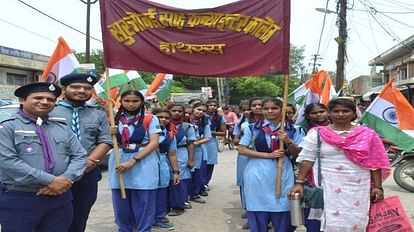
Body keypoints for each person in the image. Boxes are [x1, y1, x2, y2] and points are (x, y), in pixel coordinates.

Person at [289, 98, 391, 231]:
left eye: (345, 111)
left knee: (357, 220)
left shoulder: (367, 134)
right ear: (329, 113)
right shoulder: (318, 133)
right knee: (331, 220)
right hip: (328, 185)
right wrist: (299, 183)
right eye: (336, 111)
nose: (341, 114)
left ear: (354, 113)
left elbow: (374, 162)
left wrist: (378, 187)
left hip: (358, 186)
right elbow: (308, 159)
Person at [0, 82, 87, 231]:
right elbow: (7, 162)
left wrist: (65, 180)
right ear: (22, 100)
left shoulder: (62, 127)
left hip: (60, 198)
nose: (45, 102)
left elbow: (80, 156)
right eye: (38, 97)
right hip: (21, 197)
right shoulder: (7, 127)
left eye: (51, 99)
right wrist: (51, 181)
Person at [50, 73, 113, 232]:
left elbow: (105, 140)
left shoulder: (97, 113)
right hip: (56, 174)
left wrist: (88, 164)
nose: (81, 91)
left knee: (80, 217)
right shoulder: (50, 111)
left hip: (87, 174)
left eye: (87, 88)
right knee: (54, 218)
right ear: (64, 89)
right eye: (75, 87)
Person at [238, 98, 303, 232]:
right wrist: (268, 155)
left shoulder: (294, 129)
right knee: (258, 206)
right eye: (266, 108)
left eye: (274, 108)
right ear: (261, 110)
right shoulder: (252, 128)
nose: (270, 111)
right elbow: (242, 149)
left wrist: (288, 141)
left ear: (282, 110)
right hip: (257, 171)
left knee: (282, 207)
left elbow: (298, 153)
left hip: (282, 170)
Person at [108, 90, 161, 231]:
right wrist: (109, 132)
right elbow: (104, 141)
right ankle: (124, 229)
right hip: (119, 158)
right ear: (121, 101)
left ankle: (143, 229)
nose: (131, 104)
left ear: (142, 102)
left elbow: (154, 143)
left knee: (144, 200)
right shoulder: (113, 119)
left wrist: (133, 160)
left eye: (135, 101)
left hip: (143, 160)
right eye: (127, 101)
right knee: (121, 200)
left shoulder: (150, 119)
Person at [152, 108, 180, 230]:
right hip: (147, 163)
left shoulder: (170, 134)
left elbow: (172, 154)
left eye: (166, 118)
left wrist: (175, 172)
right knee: (146, 193)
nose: (163, 119)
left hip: (162, 163)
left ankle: (158, 218)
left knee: (161, 192)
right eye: (159, 117)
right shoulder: (145, 131)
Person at [168, 104, 196, 216]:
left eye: (180, 111)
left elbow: (191, 144)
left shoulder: (187, 126)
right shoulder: (164, 125)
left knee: (181, 180)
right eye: (174, 110)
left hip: (181, 153)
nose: (177, 113)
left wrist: (191, 159)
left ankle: (179, 205)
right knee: (168, 179)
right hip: (166, 154)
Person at [189, 102, 211, 204]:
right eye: (198, 109)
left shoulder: (205, 122)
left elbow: (208, 137)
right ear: (193, 109)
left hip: (198, 149)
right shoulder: (185, 119)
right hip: (184, 149)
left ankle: (195, 194)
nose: (200, 112)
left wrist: (196, 142)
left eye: (203, 111)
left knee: (197, 173)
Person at [204, 100, 226, 193]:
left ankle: (205, 182)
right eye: (210, 105)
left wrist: (211, 132)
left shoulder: (219, 117)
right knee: (201, 163)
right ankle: (200, 182)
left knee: (210, 162)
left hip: (211, 141)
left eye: (214, 105)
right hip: (200, 140)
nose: (212, 107)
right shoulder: (201, 116)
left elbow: (223, 132)